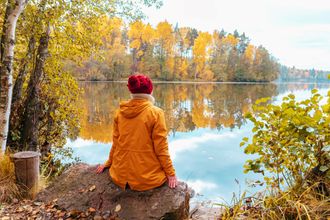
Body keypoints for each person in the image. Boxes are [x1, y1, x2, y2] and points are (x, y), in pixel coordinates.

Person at [96, 74, 178, 191]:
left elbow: (116, 142)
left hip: (119, 175)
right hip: (146, 178)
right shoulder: (156, 113)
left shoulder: (120, 112)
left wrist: (109, 163)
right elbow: (161, 148)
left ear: (131, 91)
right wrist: (171, 173)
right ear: (150, 90)